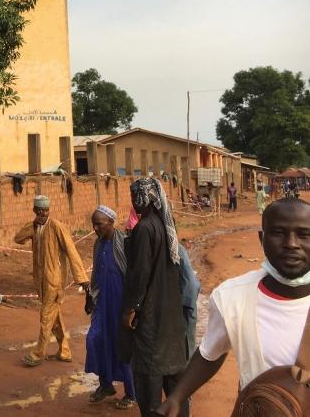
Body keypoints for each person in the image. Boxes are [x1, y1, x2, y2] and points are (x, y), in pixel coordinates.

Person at [156, 197, 310, 416]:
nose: (291, 243)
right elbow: (211, 352)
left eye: (304, 235)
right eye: (278, 233)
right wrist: (177, 396)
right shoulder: (232, 298)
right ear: (261, 238)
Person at [121, 178, 188, 417]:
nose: (133, 202)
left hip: (151, 317)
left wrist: (132, 308)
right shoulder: (165, 226)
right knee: (175, 380)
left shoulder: (145, 228)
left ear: (144, 198)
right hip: (171, 316)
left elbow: (140, 274)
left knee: (149, 379)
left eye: (134, 197)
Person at [14, 195, 89, 366]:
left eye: (45, 211)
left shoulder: (57, 227)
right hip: (40, 280)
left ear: (49, 210)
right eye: (39, 211)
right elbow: (17, 238)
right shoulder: (34, 227)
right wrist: (32, 226)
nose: (42, 214)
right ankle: (64, 351)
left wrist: (82, 278)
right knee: (54, 316)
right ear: (34, 210)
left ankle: (38, 353)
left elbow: (72, 251)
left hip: (54, 281)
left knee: (46, 315)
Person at [84, 205, 136, 410]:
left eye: (99, 224)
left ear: (111, 223)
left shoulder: (124, 243)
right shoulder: (98, 245)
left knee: (122, 347)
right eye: (93, 224)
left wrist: (131, 307)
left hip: (120, 305)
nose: (95, 228)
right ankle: (106, 385)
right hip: (103, 305)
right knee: (96, 339)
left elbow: (132, 276)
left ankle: (132, 393)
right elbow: (96, 275)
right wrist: (91, 297)